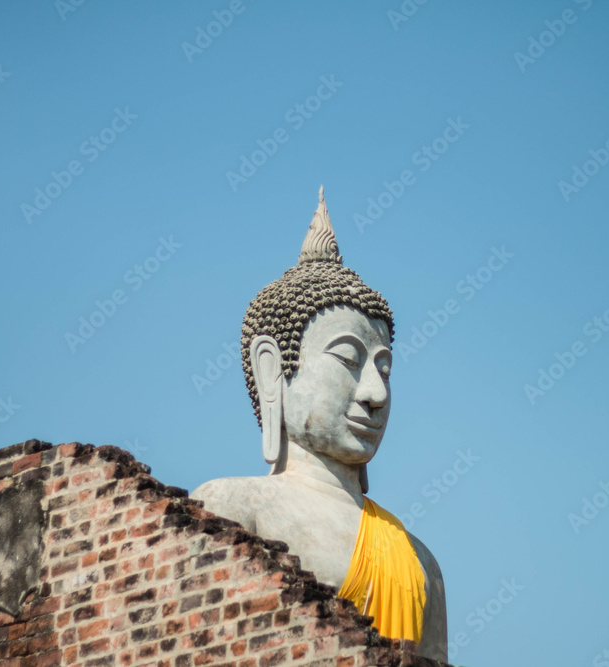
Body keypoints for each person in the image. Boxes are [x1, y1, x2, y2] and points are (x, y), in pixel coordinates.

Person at [192, 187, 448, 660]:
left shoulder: (420, 561)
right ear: (272, 370)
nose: (376, 393)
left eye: (385, 369)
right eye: (349, 359)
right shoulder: (235, 509)